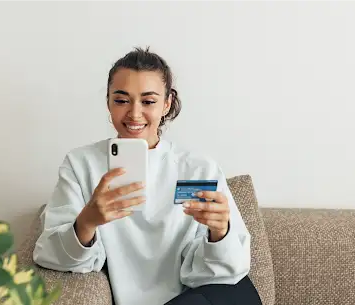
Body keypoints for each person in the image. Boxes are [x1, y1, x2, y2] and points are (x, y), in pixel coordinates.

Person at [33, 47, 262, 305]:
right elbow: (49, 254)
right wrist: (87, 221)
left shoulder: (199, 168)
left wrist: (220, 232)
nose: (134, 113)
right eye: (121, 100)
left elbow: (229, 270)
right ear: (108, 102)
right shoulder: (82, 164)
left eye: (148, 101)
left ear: (167, 104)